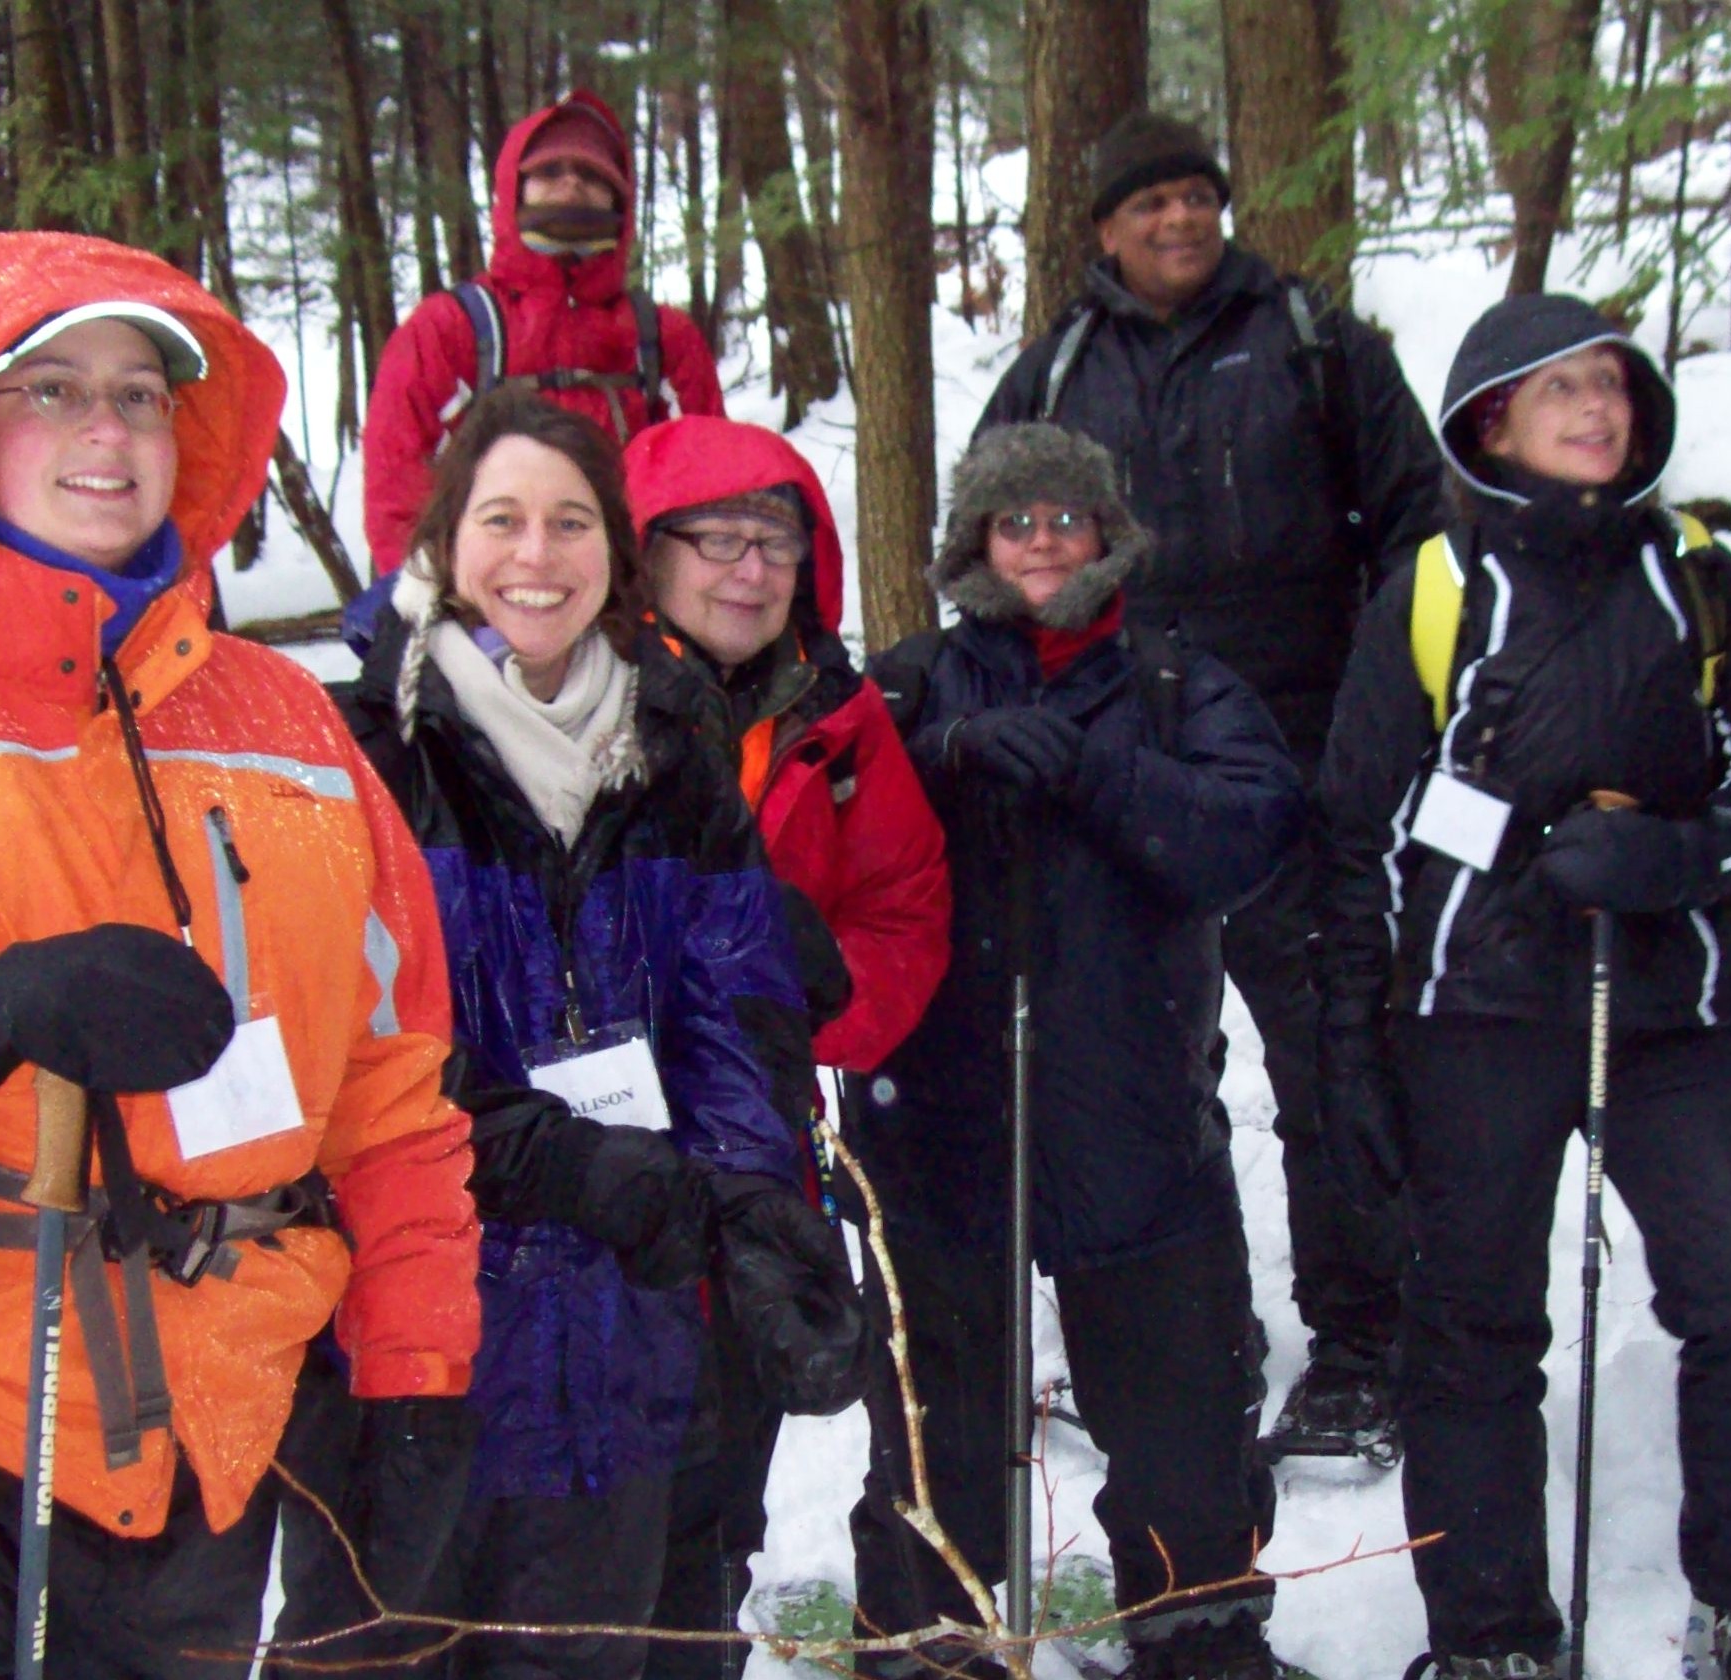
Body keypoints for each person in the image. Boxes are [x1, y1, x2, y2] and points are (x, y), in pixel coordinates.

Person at [0, 230, 481, 1678]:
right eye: (49, 389)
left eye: (137, 391)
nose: (106, 430)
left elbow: (391, 1090)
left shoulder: (293, 733)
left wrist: (414, 1368)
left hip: (204, 1455)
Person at [1314, 296, 1731, 1680]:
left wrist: (1669, 856)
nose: (1594, 409)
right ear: (1489, 420)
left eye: (1610, 383)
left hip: (1661, 1010)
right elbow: (1357, 837)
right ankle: (1492, 1636)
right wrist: (1350, 1053)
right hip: (1470, 1022)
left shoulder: (1696, 577)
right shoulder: (1429, 592)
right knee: (1471, 1332)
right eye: (1557, 389)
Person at [285, 389, 864, 1680]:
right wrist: (539, 1158)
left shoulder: (669, 743)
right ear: (445, 540)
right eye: (501, 520)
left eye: (568, 521)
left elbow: (727, 1013)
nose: (534, 557)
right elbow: (335, 1048)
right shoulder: (364, 748)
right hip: (400, 1345)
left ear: (613, 549)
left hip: (620, 1347)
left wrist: (767, 1224)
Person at [974, 110, 1448, 1454]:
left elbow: (1418, 529)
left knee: (1325, 1053)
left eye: (1196, 197)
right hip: (1115, 775)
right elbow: (988, 547)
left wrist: (1377, 710)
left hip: (1298, 765)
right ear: (1102, 231)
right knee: (1139, 1065)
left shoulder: (1314, 345)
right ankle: (1197, 1329)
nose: (1178, 222)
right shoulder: (1056, 369)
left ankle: (1361, 1340)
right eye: (1149, 205)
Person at [843, 423, 1302, 1680]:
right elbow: (819, 830)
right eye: (1014, 522)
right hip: (937, 1132)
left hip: (1139, 1125)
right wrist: (942, 761)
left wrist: (1101, 775)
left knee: (1181, 1439)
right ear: (973, 544)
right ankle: (934, 1642)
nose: (1043, 543)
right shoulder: (907, 684)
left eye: (1066, 520)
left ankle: (1199, 1642)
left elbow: (1250, 832)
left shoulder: (1173, 683)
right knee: (937, 1437)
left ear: (1107, 536)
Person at [619, 414, 952, 1678]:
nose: (750, 571)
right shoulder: (566, 682)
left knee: (713, 1498)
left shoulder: (836, 713)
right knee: (580, 1502)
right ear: (646, 553)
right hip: (576, 1164)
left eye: (776, 543)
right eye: (717, 540)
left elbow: (906, 900)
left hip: (754, 1157)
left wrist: (810, 1008)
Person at [363, 89, 726, 578]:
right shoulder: (447, 332)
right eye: (550, 171)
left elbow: (709, 489)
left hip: (632, 608)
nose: (572, 183)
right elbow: (398, 489)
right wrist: (434, 611)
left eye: (594, 174)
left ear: (621, 197)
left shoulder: (663, 340)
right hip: (485, 608)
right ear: (515, 187)